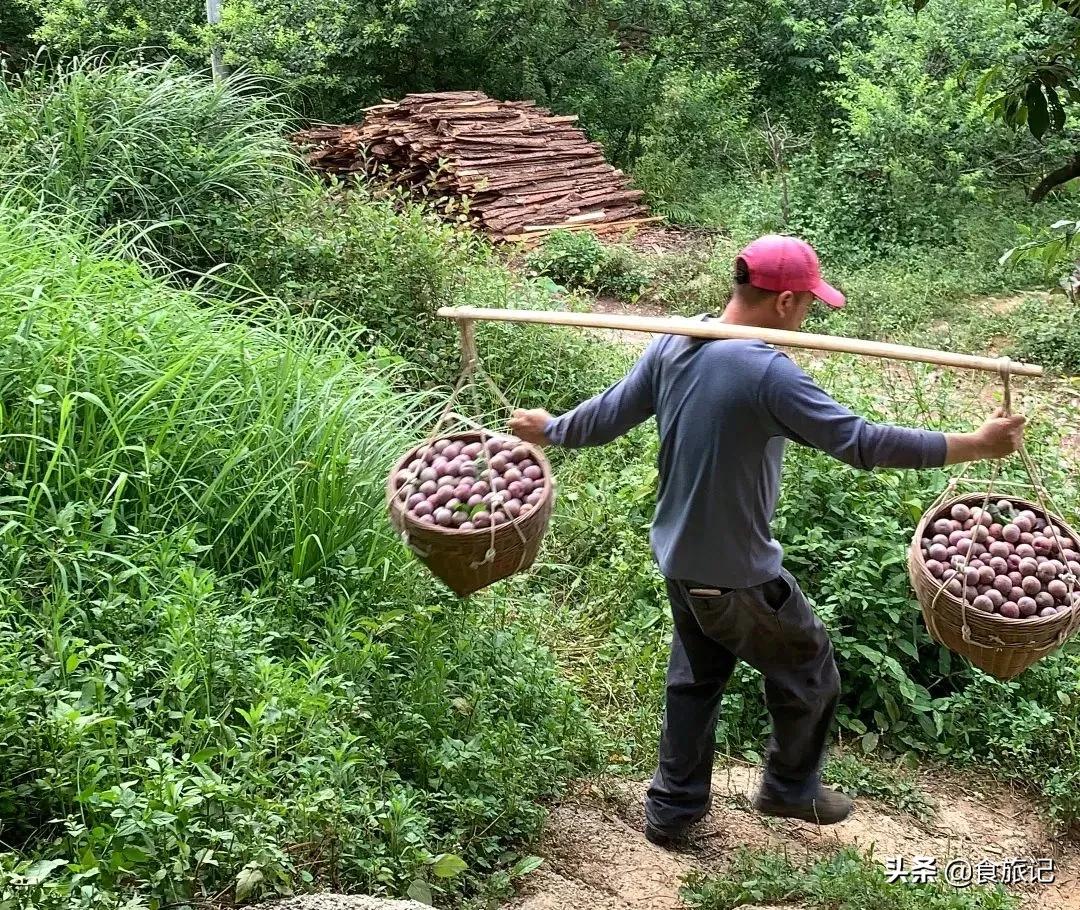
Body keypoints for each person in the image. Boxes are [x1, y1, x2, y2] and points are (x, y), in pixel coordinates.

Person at [508, 234, 1025, 847]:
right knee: (810, 670)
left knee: (695, 682)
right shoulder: (765, 372)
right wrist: (977, 443)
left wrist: (554, 429)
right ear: (783, 303)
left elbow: (605, 416)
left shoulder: (680, 339)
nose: (805, 316)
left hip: (679, 558)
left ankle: (672, 812)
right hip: (737, 574)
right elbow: (862, 443)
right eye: (806, 303)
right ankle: (789, 788)